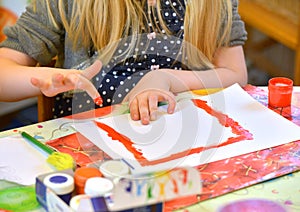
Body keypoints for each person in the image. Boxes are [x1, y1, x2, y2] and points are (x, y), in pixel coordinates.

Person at [0, 0, 248, 125]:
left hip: (184, 142)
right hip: (91, 152)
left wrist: (168, 79)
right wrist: (44, 79)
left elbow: (235, 74)